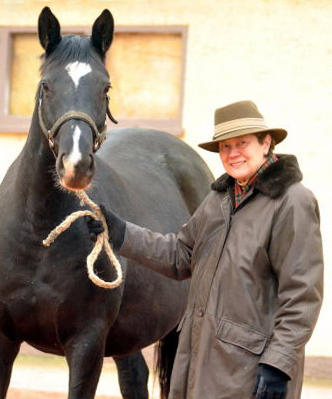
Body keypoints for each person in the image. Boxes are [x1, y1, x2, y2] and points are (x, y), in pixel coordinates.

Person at [87, 100, 323, 399]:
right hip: (199, 361)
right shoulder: (220, 200)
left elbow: (302, 296)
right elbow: (181, 255)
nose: (233, 153)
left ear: (266, 143)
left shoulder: (293, 202)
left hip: (251, 372)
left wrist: (279, 363)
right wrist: (122, 232)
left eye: (242, 143)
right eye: (225, 146)